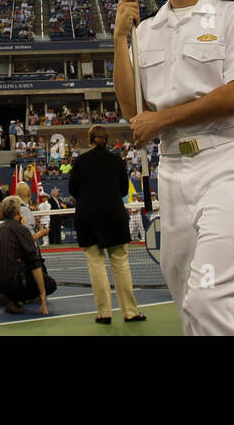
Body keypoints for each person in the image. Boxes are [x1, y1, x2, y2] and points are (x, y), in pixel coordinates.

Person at [113, 0, 234, 336]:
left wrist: (162, 120)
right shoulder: (146, 31)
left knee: (209, 297)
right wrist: (120, 39)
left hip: (228, 164)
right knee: (188, 304)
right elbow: (132, 111)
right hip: (174, 175)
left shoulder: (233, 16)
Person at [68, 123, 145, 324]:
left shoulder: (80, 162)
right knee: (120, 264)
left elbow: (73, 190)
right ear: (107, 139)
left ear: (89, 139)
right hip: (114, 215)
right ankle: (131, 312)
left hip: (87, 217)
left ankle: (104, 314)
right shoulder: (117, 160)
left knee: (96, 265)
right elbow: (122, 190)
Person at [0, 195, 54, 315]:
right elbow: (34, 263)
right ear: (18, 212)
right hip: (10, 281)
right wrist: (42, 293)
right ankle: (14, 299)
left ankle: (3, 294)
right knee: (50, 285)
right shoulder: (22, 230)